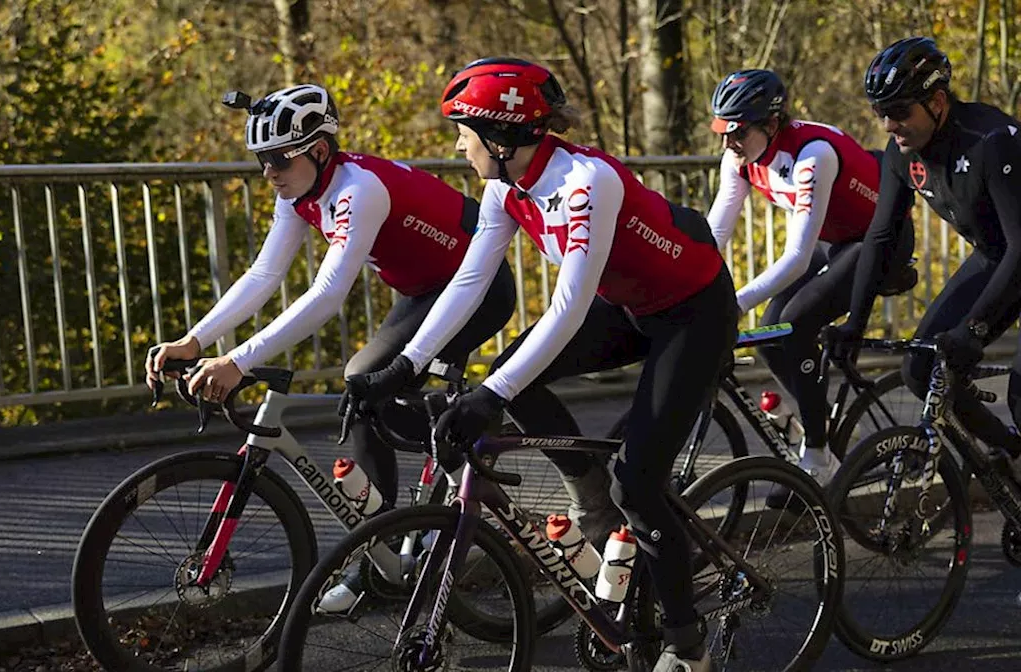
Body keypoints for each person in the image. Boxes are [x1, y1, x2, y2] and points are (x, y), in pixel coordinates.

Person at [352, 57, 738, 672]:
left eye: (463, 129)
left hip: (693, 311)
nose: (457, 142)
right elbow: (469, 280)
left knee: (638, 480)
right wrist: (406, 364)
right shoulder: (505, 186)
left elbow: (567, 308)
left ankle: (686, 645)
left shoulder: (586, 182)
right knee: (511, 373)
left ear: (501, 137)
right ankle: (590, 491)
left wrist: (491, 397)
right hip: (628, 304)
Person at [143, 83, 517, 606]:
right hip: (425, 292)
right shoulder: (303, 192)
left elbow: (326, 295)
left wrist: (238, 360)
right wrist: (195, 339)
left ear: (320, 151)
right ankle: (390, 550)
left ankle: (452, 463)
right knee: (368, 393)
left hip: (479, 288)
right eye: (260, 160)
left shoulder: (358, 189)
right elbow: (264, 273)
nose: (268, 172)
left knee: (364, 385)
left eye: (278, 159)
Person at [706, 69, 915, 507]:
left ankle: (819, 457)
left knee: (793, 324)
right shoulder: (739, 159)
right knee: (769, 334)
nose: (729, 144)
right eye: (722, 132)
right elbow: (713, 237)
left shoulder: (812, 155)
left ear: (771, 123)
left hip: (878, 241)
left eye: (738, 132)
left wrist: (733, 302)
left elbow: (797, 258)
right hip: (835, 241)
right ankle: (820, 422)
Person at [831, 36, 1021, 471]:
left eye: (898, 111)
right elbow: (881, 237)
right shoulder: (903, 154)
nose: (887, 125)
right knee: (921, 371)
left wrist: (973, 330)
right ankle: (1009, 453)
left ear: (938, 102)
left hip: (1017, 250)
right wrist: (854, 324)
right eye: (879, 112)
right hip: (998, 256)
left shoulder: (991, 141)